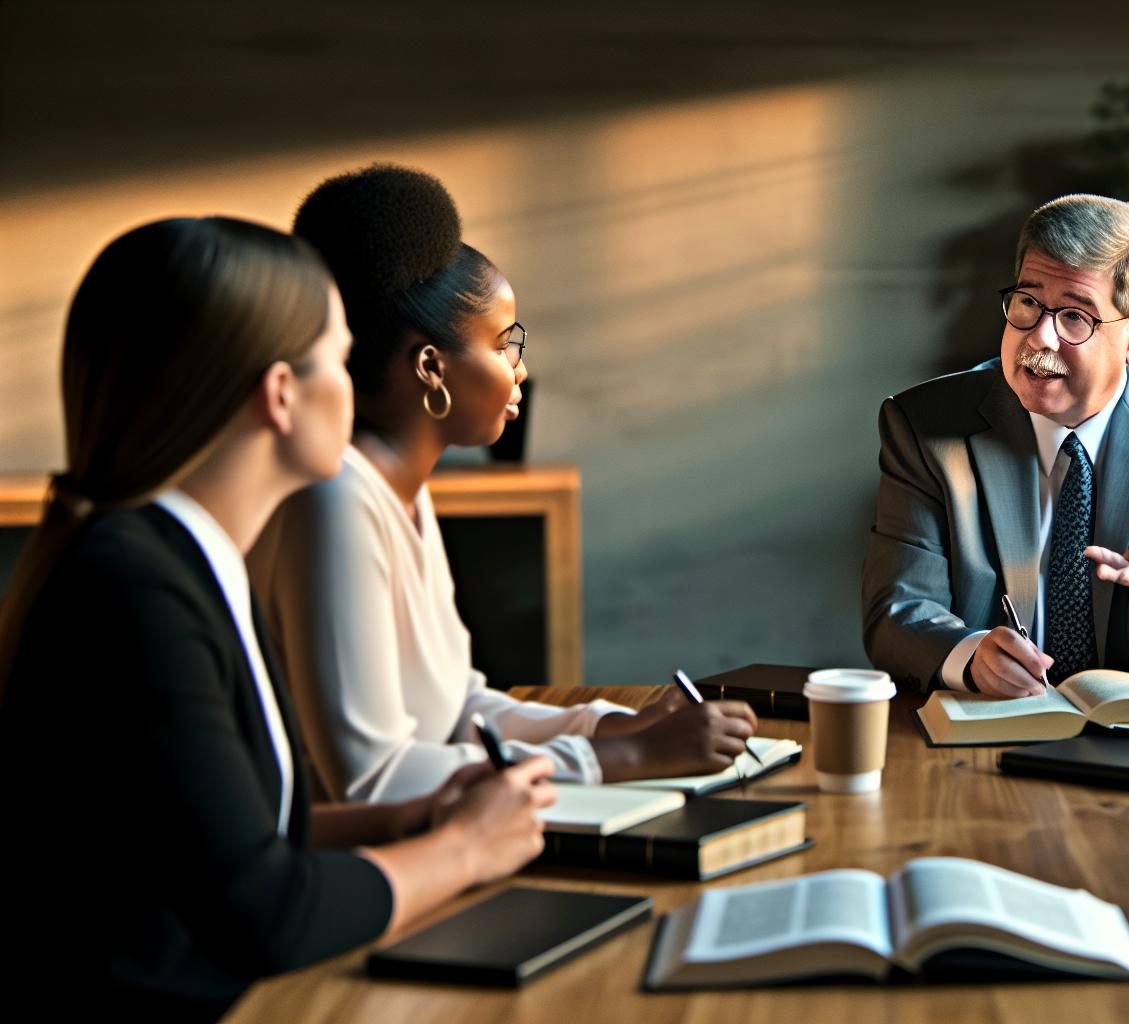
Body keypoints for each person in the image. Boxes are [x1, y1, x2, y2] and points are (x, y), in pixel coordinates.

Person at [0, 217, 555, 1020]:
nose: (359, 380)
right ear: (281, 394)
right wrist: (463, 848)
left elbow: (245, 839)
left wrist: (417, 815)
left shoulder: (197, 558)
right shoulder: (132, 590)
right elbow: (267, 913)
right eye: (339, 356)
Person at [250, 165, 757, 804]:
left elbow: (458, 707)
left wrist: (610, 725)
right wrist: (622, 756)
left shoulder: (402, 492)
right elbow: (370, 780)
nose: (518, 370)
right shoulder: (336, 503)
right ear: (431, 367)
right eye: (502, 343)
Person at [862, 193, 1129, 696]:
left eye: (1075, 317)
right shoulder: (927, 426)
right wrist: (971, 657)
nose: (1040, 337)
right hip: (988, 731)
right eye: (1028, 302)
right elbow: (897, 612)